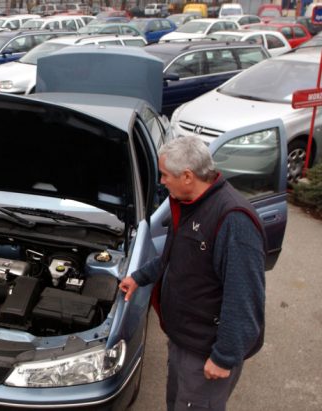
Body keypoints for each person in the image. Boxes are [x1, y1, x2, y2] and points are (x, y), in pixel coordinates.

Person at [119, 136, 266, 411]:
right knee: (176, 403)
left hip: (206, 350)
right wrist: (139, 278)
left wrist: (224, 356)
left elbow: (244, 298)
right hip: (183, 338)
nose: (162, 182)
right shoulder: (188, 203)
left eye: (164, 175)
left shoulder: (233, 219)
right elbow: (174, 257)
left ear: (187, 176)